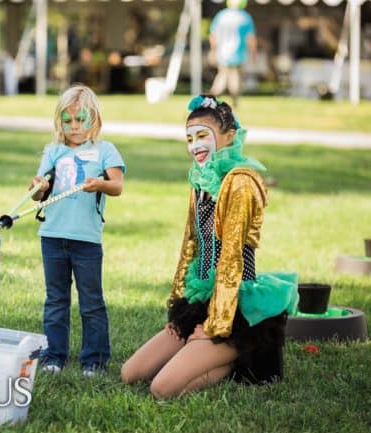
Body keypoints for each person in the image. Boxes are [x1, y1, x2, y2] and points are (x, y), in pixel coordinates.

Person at [121, 95, 298, 398]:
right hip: (203, 296)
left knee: (161, 389)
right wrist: (181, 310)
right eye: (189, 138)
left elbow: (231, 259)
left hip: (235, 307)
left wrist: (216, 325)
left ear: (229, 136)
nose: (194, 145)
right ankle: (224, 362)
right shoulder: (201, 179)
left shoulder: (241, 182)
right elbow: (191, 244)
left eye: (202, 135)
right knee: (131, 374)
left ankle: (242, 352)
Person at [30, 85, 125, 377]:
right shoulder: (53, 151)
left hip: (85, 240)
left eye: (80, 119)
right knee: (56, 299)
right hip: (53, 237)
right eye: (67, 120)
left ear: (93, 119)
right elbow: (37, 194)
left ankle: (94, 360)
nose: (74, 127)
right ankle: (54, 355)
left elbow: (117, 186)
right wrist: (38, 186)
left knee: (91, 302)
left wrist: (100, 184)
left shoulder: (104, 150)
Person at [209, 0, 257, 107]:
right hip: (238, 53)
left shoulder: (221, 15)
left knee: (222, 74)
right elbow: (251, 38)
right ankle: (234, 99)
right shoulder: (245, 17)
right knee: (234, 76)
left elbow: (213, 35)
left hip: (222, 53)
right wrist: (253, 54)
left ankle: (213, 97)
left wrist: (213, 50)